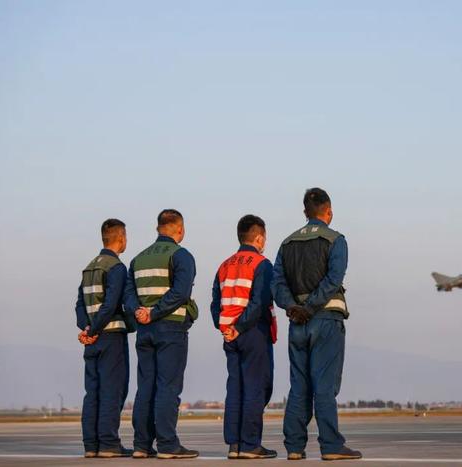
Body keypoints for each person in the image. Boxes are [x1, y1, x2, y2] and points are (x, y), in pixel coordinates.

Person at [272, 188, 362, 461]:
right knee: (324, 386)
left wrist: (293, 307)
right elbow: (334, 279)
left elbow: (276, 283)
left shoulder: (286, 243)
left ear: (305, 212)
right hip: (325, 320)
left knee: (299, 386)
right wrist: (310, 308)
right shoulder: (336, 240)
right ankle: (331, 446)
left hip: (297, 324)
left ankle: (295, 447)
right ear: (329, 211)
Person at [124, 209, 199, 459]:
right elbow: (180, 292)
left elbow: (129, 295)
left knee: (145, 387)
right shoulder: (181, 255)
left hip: (144, 331)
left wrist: (140, 313)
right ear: (179, 229)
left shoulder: (137, 259)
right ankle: (167, 444)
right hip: (171, 327)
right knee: (168, 387)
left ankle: (141, 445)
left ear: (158, 228)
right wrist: (155, 313)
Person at [211, 215, 278, 460]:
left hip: (230, 335)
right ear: (259, 238)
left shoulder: (224, 265)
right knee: (256, 387)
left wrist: (226, 328)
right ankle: (251, 444)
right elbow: (260, 302)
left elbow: (215, 303)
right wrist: (240, 327)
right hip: (253, 333)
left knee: (235, 388)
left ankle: (235, 444)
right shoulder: (261, 263)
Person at [75, 218, 133, 458]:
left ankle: (91, 444)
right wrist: (97, 328)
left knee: (93, 392)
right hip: (110, 337)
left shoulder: (89, 267)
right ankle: (109, 443)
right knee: (113, 390)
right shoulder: (116, 267)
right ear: (120, 238)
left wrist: (87, 329)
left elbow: (79, 304)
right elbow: (110, 305)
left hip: (93, 340)